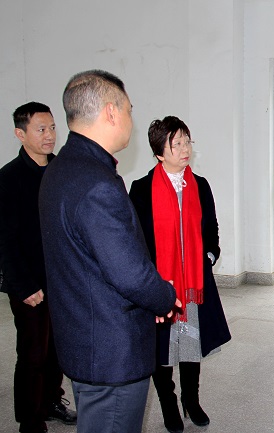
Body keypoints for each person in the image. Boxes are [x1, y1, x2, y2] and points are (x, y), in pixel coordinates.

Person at [38, 70, 178, 433]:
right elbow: (129, 273)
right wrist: (164, 297)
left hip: (84, 336)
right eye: (129, 110)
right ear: (111, 112)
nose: (131, 119)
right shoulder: (96, 182)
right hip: (111, 350)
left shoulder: (61, 168)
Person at [129, 116, 231, 433]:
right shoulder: (141, 189)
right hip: (160, 286)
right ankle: (169, 404)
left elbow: (211, 227)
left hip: (193, 284)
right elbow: (135, 240)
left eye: (187, 141)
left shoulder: (199, 184)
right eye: (177, 143)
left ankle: (191, 400)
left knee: (190, 344)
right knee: (161, 349)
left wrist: (210, 254)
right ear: (159, 152)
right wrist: (149, 280)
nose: (185, 148)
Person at [0, 102, 77, 433]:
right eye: (41, 129)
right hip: (29, 283)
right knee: (33, 353)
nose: (49, 136)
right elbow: (4, 241)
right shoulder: (8, 178)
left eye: (53, 128)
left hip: (62, 280)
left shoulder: (63, 170)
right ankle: (30, 420)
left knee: (58, 350)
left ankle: (50, 401)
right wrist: (23, 286)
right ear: (21, 134)